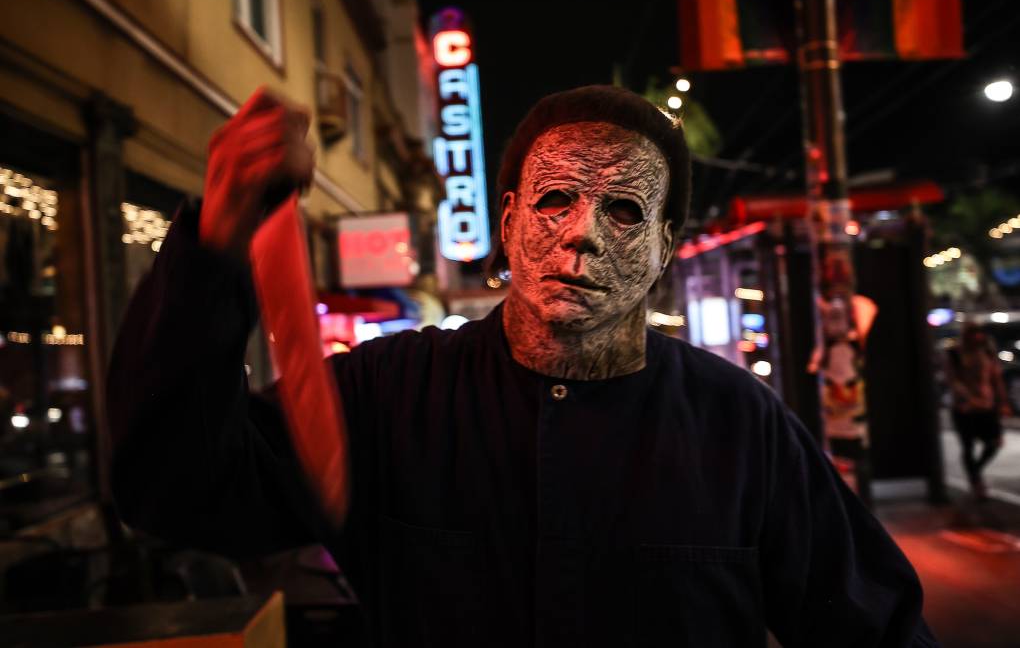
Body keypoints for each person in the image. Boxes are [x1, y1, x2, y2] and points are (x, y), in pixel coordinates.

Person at [108, 86, 938, 647]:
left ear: (663, 249)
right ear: (507, 224)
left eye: (622, 210)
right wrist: (216, 242)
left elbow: (873, 623)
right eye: (555, 200)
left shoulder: (741, 428)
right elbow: (178, 487)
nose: (581, 234)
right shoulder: (389, 395)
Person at [945, 323, 1009, 500]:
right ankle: (976, 482)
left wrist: (1002, 402)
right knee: (968, 446)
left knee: (994, 442)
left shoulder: (987, 352)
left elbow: (996, 379)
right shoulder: (955, 354)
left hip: (986, 405)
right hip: (964, 408)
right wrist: (966, 397)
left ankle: (975, 472)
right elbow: (952, 380)